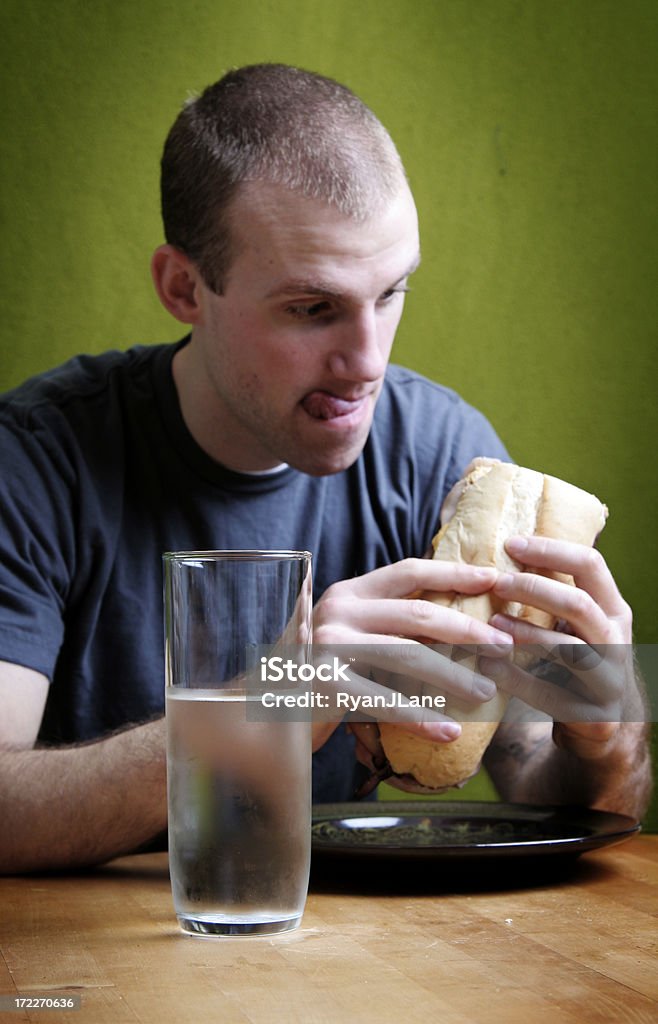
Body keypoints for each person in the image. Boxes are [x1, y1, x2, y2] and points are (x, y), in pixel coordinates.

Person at [0, 64, 650, 873]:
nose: (367, 363)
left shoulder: (441, 457)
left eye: (390, 292)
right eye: (313, 309)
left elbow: (541, 791)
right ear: (184, 288)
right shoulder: (34, 463)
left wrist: (606, 741)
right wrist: (268, 704)